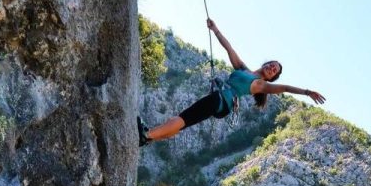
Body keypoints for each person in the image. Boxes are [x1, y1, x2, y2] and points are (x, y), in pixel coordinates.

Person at [138, 19, 326, 147]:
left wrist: (307, 92)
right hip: (219, 101)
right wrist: (215, 29)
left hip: (219, 101)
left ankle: (147, 135)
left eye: (274, 70)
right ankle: (149, 138)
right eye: (271, 64)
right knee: (182, 123)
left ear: (271, 78)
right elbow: (229, 48)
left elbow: (284, 88)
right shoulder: (243, 69)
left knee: (182, 119)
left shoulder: (260, 84)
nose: (271, 67)